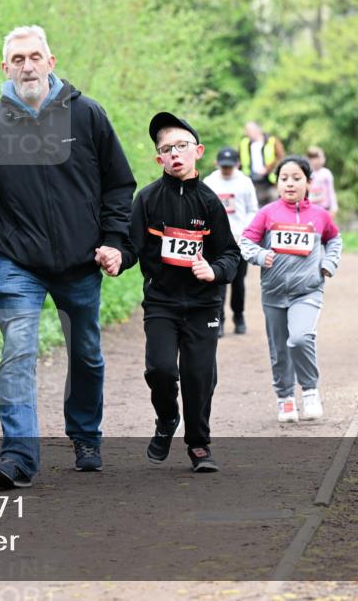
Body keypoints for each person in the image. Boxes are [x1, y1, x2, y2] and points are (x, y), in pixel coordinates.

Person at [0, 25, 136, 488]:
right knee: (17, 355)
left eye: (34, 56)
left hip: (80, 262)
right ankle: (18, 457)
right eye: (17, 59)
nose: (27, 66)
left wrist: (114, 241)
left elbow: (118, 185)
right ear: (5, 67)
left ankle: (86, 435)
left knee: (86, 354)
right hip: (19, 263)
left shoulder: (87, 116)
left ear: (51, 61)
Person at [127, 112, 241, 473]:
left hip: (203, 305)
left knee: (198, 375)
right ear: (158, 159)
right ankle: (166, 418)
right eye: (166, 149)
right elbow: (131, 247)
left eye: (181, 146)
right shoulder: (146, 200)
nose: (174, 153)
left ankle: (199, 446)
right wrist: (115, 255)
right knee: (160, 370)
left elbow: (231, 255)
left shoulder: (209, 203)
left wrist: (214, 270)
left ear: (198, 151)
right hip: (161, 301)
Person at [239, 156, 343, 423]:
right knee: (279, 348)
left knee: (299, 338)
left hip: (307, 290)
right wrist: (261, 256)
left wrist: (329, 262)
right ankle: (285, 398)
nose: (289, 183)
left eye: (296, 178)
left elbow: (334, 240)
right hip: (273, 292)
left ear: (308, 182)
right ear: (278, 182)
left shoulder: (320, 215)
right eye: (284, 178)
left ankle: (309, 391)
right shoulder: (267, 213)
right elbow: (246, 242)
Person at [204, 147, 259, 337]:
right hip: (216, 241)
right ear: (217, 164)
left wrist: (243, 232)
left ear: (237, 164)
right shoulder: (210, 182)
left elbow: (253, 209)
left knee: (238, 281)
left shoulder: (245, 183)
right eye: (223, 166)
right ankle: (218, 319)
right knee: (218, 281)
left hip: (240, 240)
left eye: (230, 166)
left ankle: (239, 315)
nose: (226, 170)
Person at [240, 121, 286, 206]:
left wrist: (267, 168)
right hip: (252, 182)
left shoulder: (272, 141)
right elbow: (239, 160)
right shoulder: (244, 143)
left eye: (248, 130)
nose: (246, 133)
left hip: (270, 182)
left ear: (257, 130)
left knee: (274, 205)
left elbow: (281, 158)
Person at [306, 146, 338, 216]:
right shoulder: (307, 173)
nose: (323, 159)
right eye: (320, 157)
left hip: (324, 208)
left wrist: (334, 208)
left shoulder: (326, 173)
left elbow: (331, 191)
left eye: (323, 157)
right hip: (311, 209)